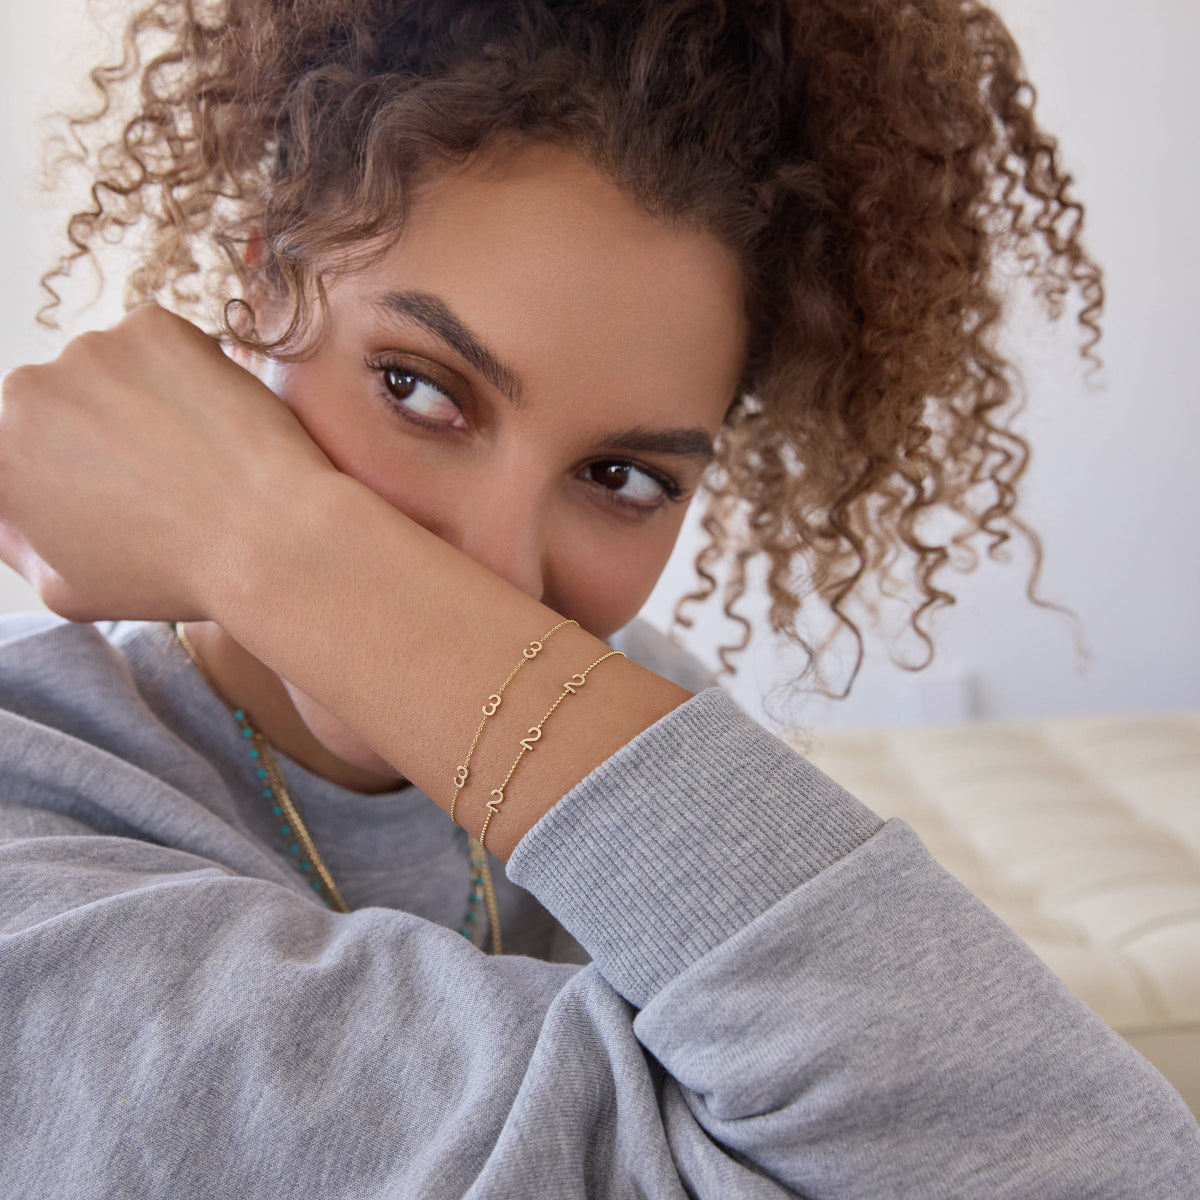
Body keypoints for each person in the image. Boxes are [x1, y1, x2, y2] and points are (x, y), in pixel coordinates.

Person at [0, 1, 1195, 1196]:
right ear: (262, 288)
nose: (500, 575)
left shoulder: (642, 724)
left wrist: (266, 537)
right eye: (418, 388)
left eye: (621, 476)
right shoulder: (33, 794)